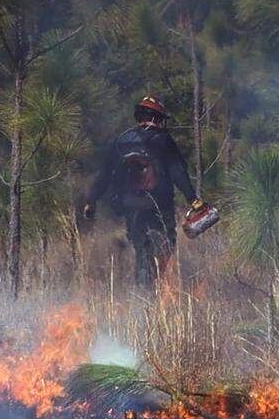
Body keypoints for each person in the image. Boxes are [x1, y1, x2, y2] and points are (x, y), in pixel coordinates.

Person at [83, 95, 204, 287]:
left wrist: (92, 200)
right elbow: (178, 172)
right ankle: (158, 292)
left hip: (130, 206)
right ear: (157, 118)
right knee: (164, 248)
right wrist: (193, 200)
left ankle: (141, 291)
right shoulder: (163, 140)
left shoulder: (121, 141)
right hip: (159, 206)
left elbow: (105, 174)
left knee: (140, 248)